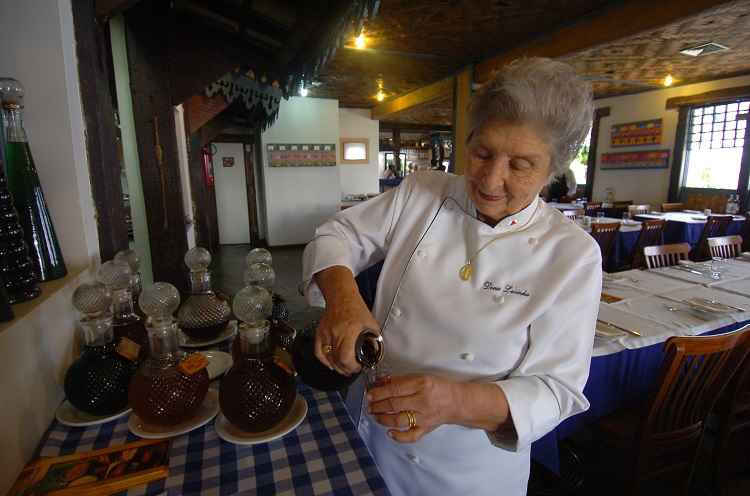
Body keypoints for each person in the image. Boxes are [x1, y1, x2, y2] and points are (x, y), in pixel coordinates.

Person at [302, 57, 600, 496]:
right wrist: (345, 302)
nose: (491, 179)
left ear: (554, 170)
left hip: (464, 472)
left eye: (520, 165)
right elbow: (336, 234)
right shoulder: (421, 192)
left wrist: (454, 402)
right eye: (482, 152)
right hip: (365, 431)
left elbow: (557, 391)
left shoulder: (572, 255)